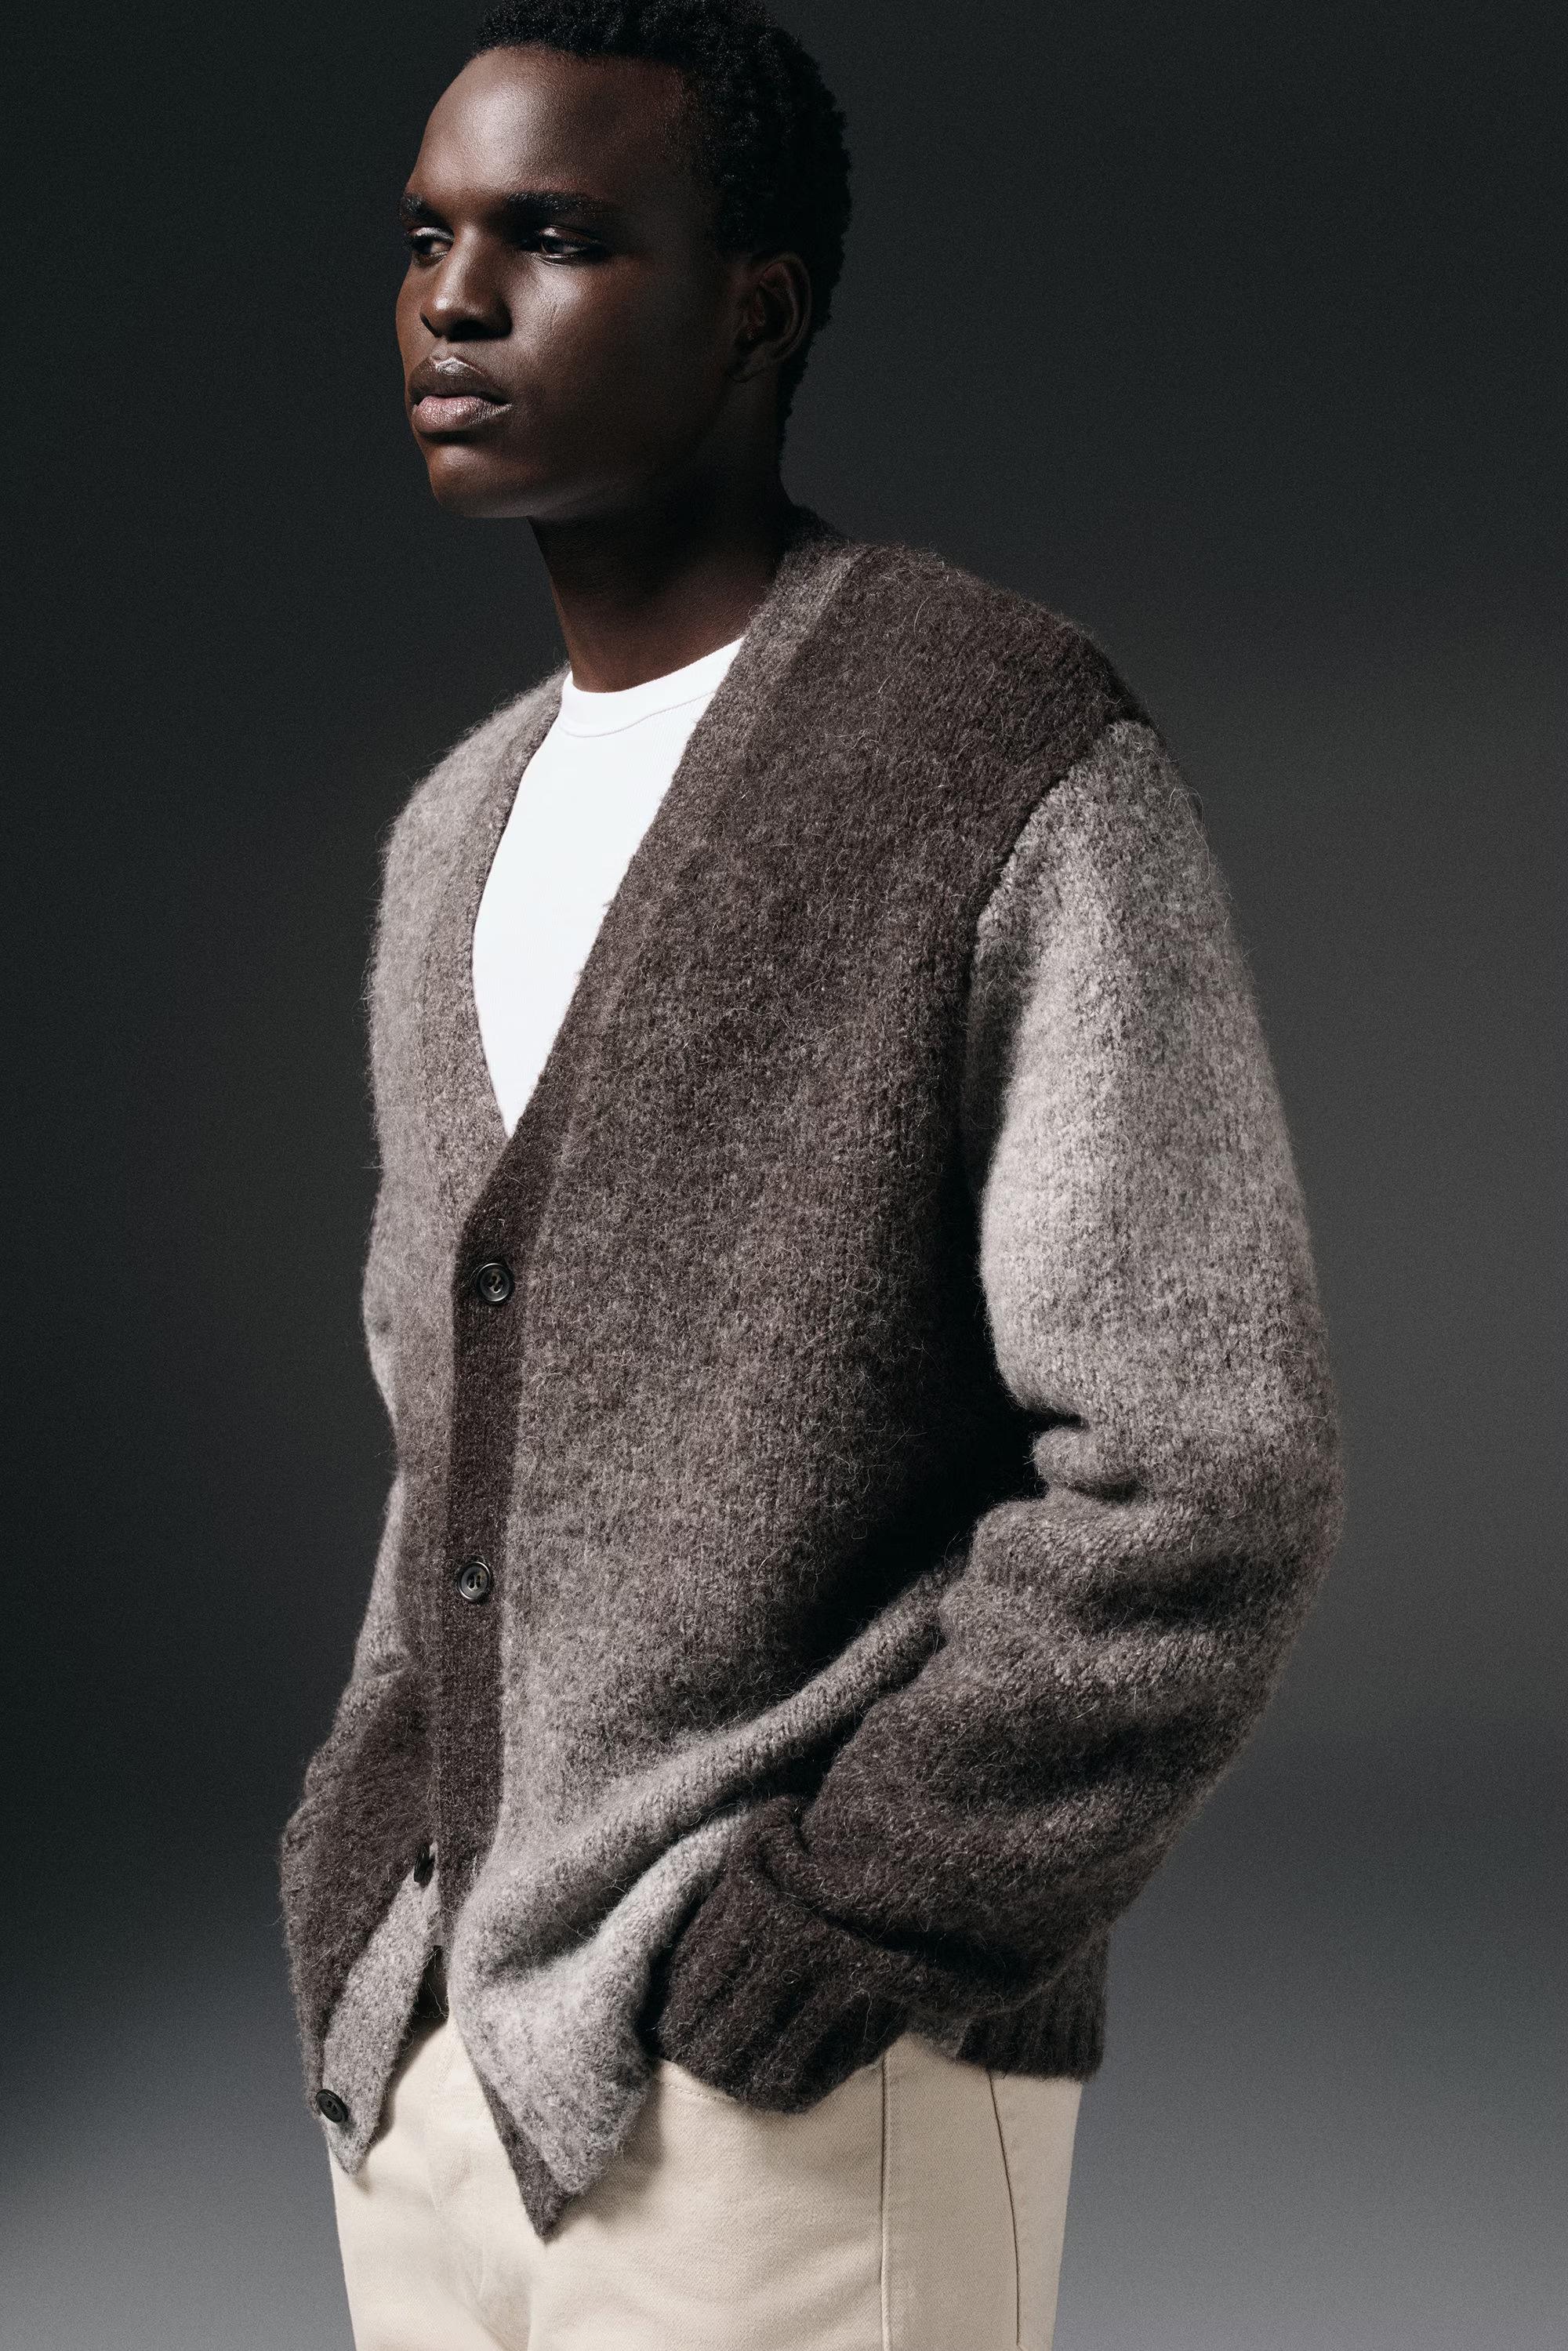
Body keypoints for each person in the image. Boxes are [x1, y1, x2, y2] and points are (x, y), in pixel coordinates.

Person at [278, 4, 1345, 2345]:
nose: (458, 302)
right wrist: (372, 1895)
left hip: (789, 2078)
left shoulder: (992, 743)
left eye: (558, 238)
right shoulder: (449, 834)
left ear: (754, 306)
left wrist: (871, 1903)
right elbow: (446, 1456)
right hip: (434, 2075)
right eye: (426, 238)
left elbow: (1204, 1461)